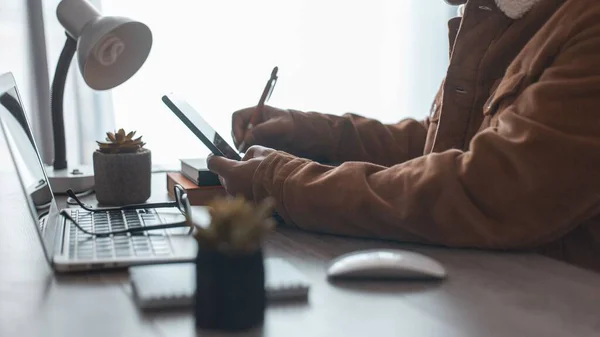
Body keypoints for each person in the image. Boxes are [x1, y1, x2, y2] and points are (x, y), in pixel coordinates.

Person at [206, 0, 600, 272]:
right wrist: (307, 131)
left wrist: (283, 183)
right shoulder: (511, 18)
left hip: (549, 306)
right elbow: (440, 146)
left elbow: (489, 187)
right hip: (488, 288)